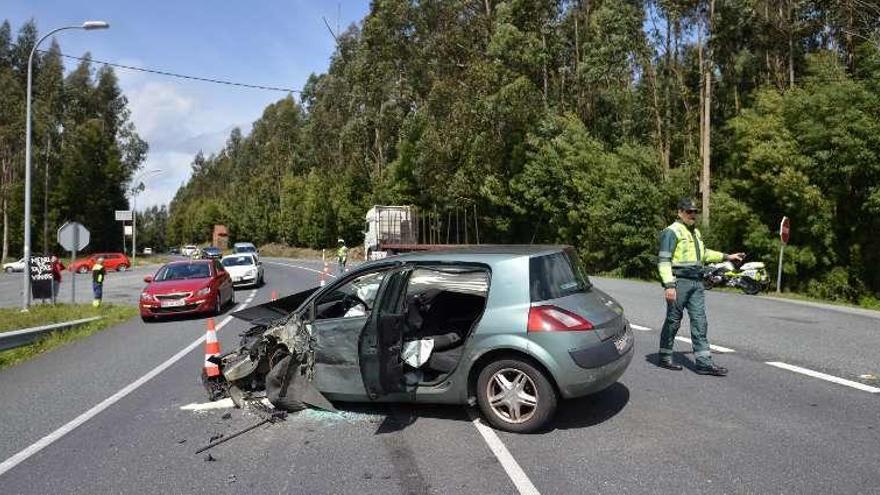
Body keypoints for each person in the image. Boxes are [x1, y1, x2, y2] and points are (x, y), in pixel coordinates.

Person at [657, 198, 744, 376]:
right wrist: (669, 285)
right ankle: (665, 356)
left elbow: (704, 254)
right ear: (679, 212)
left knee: (700, 322)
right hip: (679, 281)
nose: (692, 215)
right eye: (689, 212)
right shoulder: (671, 232)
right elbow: (664, 260)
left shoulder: (695, 232)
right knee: (673, 321)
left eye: (695, 212)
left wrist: (728, 256)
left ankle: (704, 363)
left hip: (697, 282)